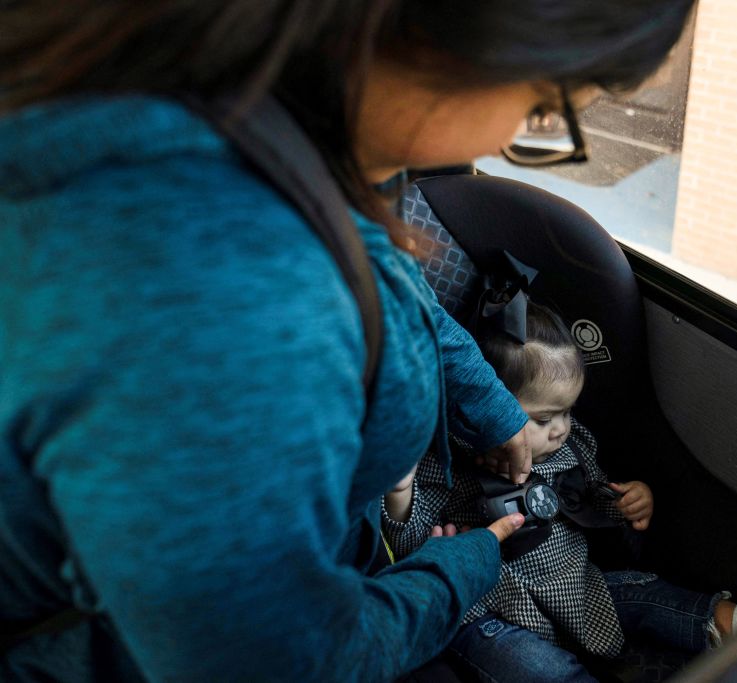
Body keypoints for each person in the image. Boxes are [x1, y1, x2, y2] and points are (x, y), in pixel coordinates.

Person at [0, 1, 696, 681]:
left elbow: (403, 293)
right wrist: (459, 568)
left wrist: (495, 408)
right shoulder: (226, 300)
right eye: (543, 107)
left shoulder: (310, 135)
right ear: (437, 39)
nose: (509, 138)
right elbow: (282, 658)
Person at [383, 299, 737, 682]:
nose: (560, 428)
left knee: (647, 594)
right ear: (487, 403)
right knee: (536, 669)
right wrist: (401, 490)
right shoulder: (449, 461)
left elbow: (591, 496)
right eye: (543, 418)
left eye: (567, 411)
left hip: (575, 586)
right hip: (491, 610)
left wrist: (625, 502)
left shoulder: (567, 446)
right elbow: (411, 543)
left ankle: (732, 622)